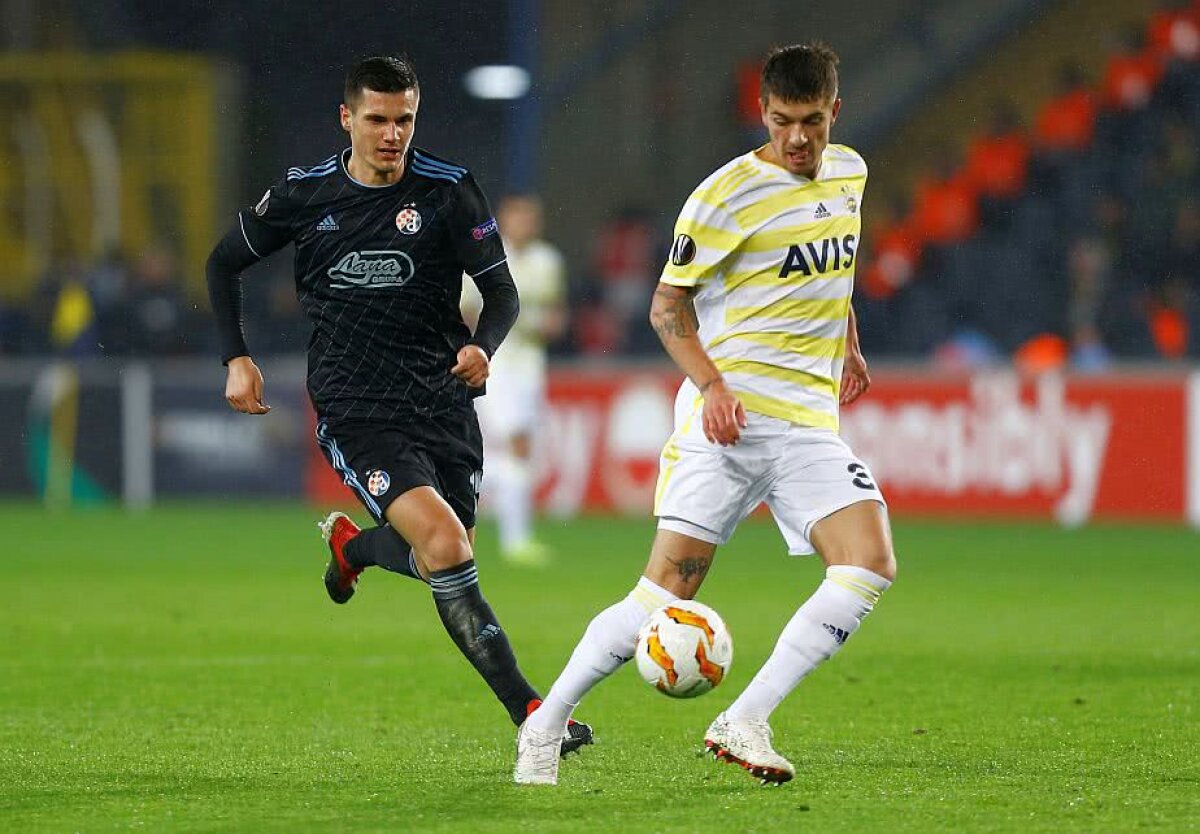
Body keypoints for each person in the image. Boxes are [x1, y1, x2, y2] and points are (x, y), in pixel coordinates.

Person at [515, 42, 896, 786]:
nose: (797, 139)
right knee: (661, 595)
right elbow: (667, 308)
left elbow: (837, 265)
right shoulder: (724, 196)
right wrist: (713, 386)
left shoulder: (850, 172)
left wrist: (848, 342)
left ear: (834, 113)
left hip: (807, 425)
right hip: (730, 424)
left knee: (870, 562)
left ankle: (745, 718)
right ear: (763, 113)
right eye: (783, 121)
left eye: (812, 121)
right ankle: (545, 724)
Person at [205, 55, 590, 756]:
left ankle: (352, 548)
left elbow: (502, 294)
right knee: (446, 544)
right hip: (357, 409)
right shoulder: (306, 193)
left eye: (404, 119)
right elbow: (222, 262)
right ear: (347, 118)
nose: (391, 134)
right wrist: (236, 356)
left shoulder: (448, 191)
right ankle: (533, 715)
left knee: (445, 551)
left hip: (442, 400)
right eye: (377, 119)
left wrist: (485, 347)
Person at [462, 194, 567, 565]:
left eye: (530, 218)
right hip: (498, 361)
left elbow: (556, 317)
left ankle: (453, 487)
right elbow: (469, 313)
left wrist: (541, 325)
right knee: (517, 445)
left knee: (516, 451)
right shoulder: (486, 256)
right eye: (517, 217)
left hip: (531, 363)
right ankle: (516, 540)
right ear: (504, 220)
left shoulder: (548, 261)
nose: (524, 224)